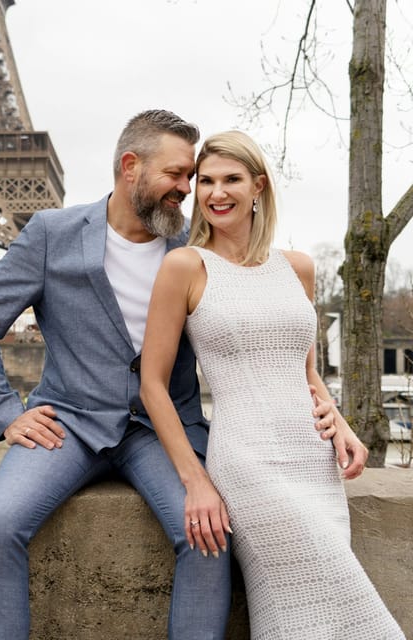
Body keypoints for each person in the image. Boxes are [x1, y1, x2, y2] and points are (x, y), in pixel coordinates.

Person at [0, 110, 345, 640]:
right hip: (68, 424)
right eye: (179, 175)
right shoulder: (51, 233)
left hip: (165, 430)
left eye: (194, 178)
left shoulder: (196, 251)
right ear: (130, 166)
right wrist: (5, 414)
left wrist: (325, 410)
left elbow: (272, 345)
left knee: (209, 535)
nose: (189, 189)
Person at [140, 130, 404, 639]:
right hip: (248, 462)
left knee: (297, 615)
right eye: (206, 181)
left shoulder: (298, 267)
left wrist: (340, 420)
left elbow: (304, 370)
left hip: (313, 457)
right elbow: (152, 384)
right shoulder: (185, 266)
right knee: (345, 595)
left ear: (258, 186)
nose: (217, 192)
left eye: (232, 179)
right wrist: (196, 482)